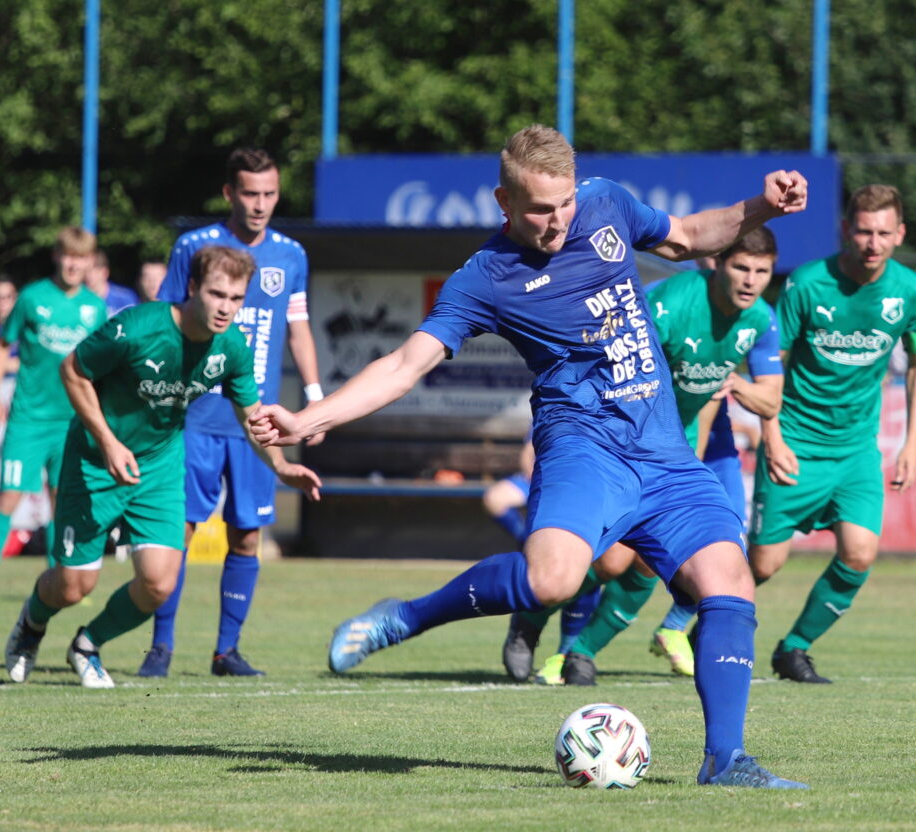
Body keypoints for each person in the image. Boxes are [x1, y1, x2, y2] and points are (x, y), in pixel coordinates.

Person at [250, 125, 810, 789]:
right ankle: (408, 616)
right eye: (539, 208)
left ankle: (725, 761)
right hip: (583, 449)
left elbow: (689, 235)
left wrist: (762, 208)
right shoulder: (485, 277)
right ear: (503, 202)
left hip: (663, 452)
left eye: (564, 202)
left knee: (730, 583)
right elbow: (404, 365)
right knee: (552, 582)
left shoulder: (605, 203)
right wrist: (305, 420)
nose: (556, 219)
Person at [2, 245, 320, 688]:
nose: (227, 308)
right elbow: (73, 372)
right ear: (191, 288)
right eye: (217, 294)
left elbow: (251, 418)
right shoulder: (137, 327)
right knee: (75, 587)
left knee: (158, 583)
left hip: (159, 467)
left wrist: (282, 466)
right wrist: (109, 443)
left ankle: (87, 646)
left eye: (236, 298)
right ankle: (32, 625)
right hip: (96, 462)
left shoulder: (231, 346)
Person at [517, 229, 785, 684]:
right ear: (714, 263)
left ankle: (582, 653)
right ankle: (533, 614)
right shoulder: (669, 306)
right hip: (625, 432)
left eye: (762, 272)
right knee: (609, 562)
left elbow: (770, 402)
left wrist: (736, 386)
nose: (751, 281)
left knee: (697, 557)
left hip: (684, 437)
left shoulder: (759, 320)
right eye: (741, 267)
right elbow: (605, 367)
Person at [137, 147, 326, 679]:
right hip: (192, 419)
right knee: (180, 532)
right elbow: (165, 320)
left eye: (269, 193)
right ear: (229, 193)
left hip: (255, 424)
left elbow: (298, 327)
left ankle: (226, 651)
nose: (261, 203)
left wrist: (314, 397)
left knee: (247, 534)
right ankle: (161, 647)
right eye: (250, 193)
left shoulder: (291, 254)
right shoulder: (193, 248)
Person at [751, 184, 916, 684]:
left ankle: (794, 649)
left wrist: (912, 444)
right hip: (796, 443)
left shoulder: (912, 292)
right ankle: (688, 621)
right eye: (863, 231)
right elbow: (771, 363)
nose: (872, 243)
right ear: (845, 231)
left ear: (899, 235)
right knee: (763, 566)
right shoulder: (809, 284)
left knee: (859, 552)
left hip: (855, 452)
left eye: (883, 233)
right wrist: (772, 435)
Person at [0, 227, 108, 603]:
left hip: (73, 422)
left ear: (90, 261)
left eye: (82, 257)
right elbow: (1, 345)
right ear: (57, 256)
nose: (74, 264)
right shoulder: (31, 298)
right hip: (28, 420)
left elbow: (103, 364)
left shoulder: (95, 308)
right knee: (9, 496)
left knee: (64, 503)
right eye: (68, 256)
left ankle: (64, 582)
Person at [487, 430, 601, 685]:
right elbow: (530, 450)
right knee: (496, 498)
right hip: (551, 480)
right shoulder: (560, 398)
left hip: (597, 486)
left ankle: (569, 654)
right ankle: (526, 625)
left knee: (598, 562)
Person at [86, 250, 140, 317]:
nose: (88, 276)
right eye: (86, 271)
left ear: (105, 272)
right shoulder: (78, 299)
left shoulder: (125, 297)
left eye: (94, 271)